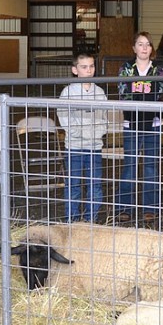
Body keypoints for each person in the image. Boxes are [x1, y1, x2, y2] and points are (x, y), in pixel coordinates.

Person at [115, 32, 163, 225]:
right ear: (134, 48)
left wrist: (137, 90)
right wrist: (146, 91)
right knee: (129, 167)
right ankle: (124, 208)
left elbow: (160, 93)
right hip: (131, 124)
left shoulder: (159, 70)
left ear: (151, 48)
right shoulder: (126, 69)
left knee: (150, 167)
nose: (144, 48)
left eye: (147, 44)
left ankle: (150, 208)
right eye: (140, 44)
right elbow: (123, 93)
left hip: (153, 125)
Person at [56, 52, 109, 223]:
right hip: (74, 147)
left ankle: (90, 221)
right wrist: (79, 133)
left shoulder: (99, 92)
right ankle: (71, 221)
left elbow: (103, 117)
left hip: (94, 146)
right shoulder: (68, 92)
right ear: (75, 70)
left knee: (95, 186)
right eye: (84, 67)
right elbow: (64, 116)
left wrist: (96, 134)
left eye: (91, 66)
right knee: (74, 186)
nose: (88, 70)